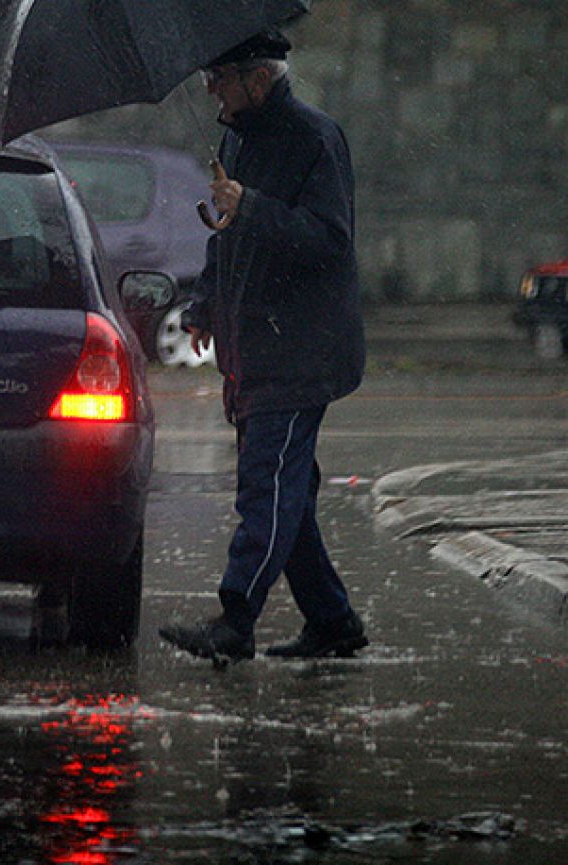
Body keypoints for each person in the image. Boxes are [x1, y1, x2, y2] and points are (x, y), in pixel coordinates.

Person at [157, 29, 368, 661]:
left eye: (218, 80)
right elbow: (226, 237)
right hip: (252, 346)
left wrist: (250, 206)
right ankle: (332, 622)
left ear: (257, 78)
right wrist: (203, 307)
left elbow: (331, 240)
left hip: (301, 349)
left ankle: (235, 619)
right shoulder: (237, 138)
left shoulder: (315, 139)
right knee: (288, 492)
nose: (211, 91)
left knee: (265, 487)